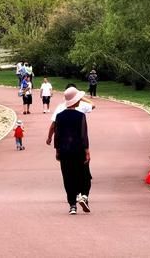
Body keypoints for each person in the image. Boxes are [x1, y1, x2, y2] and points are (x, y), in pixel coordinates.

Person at [54, 87, 92, 215]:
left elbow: (57, 134)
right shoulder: (80, 116)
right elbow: (83, 134)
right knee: (82, 173)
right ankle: (82, 195)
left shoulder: (59, 116)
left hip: (64, 150)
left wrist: (57, 150)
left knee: (67, 176)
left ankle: (72, 205)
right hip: (78, 149)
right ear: (76, 101)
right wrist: (87, 150)